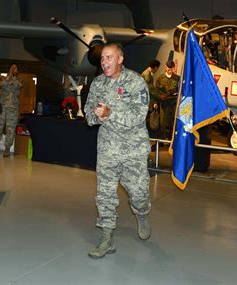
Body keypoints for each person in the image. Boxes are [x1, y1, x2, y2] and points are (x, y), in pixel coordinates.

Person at [84, 43, 152, 259]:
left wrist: (110, 113)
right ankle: (106, 238)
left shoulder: (135, 82)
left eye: (109, 58)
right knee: (105, 194)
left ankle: (141, 214)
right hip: (107, 149)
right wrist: (97, 117)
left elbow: (139, 115)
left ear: (120, 59)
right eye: (102, 58)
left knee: (139, 193)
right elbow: (88, 112)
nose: (104, 62)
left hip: (134, 149)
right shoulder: (97, 84)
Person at [0, 63, 24, 157]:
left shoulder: (20, 80)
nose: (13, 69)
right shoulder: (3, 78)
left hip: (13, 108)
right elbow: (1, 84)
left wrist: (11, 77)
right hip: (2, 107)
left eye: (15, 68)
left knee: (11, 128)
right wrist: (9, 75)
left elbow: (18, 85)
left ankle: (7, 148)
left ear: (18, 71)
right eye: (11, 67)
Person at [155, 60, 179, 139]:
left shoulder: (177, 79)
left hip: (173, 103)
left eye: (171, 69)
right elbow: (156, 91)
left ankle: (171, 140)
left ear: (173, 68)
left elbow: (179, 91)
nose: (169, 70)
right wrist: (155, 102)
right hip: (164, 103)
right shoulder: (160, 78)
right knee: (163, 122)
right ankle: (161, 140)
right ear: (165, 67)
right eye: (168, 68)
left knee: (173, 122)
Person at [141, 59, 161, 133]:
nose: (157, 70)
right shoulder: (147, 74)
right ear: (155, 67)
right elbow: (150, 89)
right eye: (158, 68)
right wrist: (160, 96)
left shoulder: (149, 74)